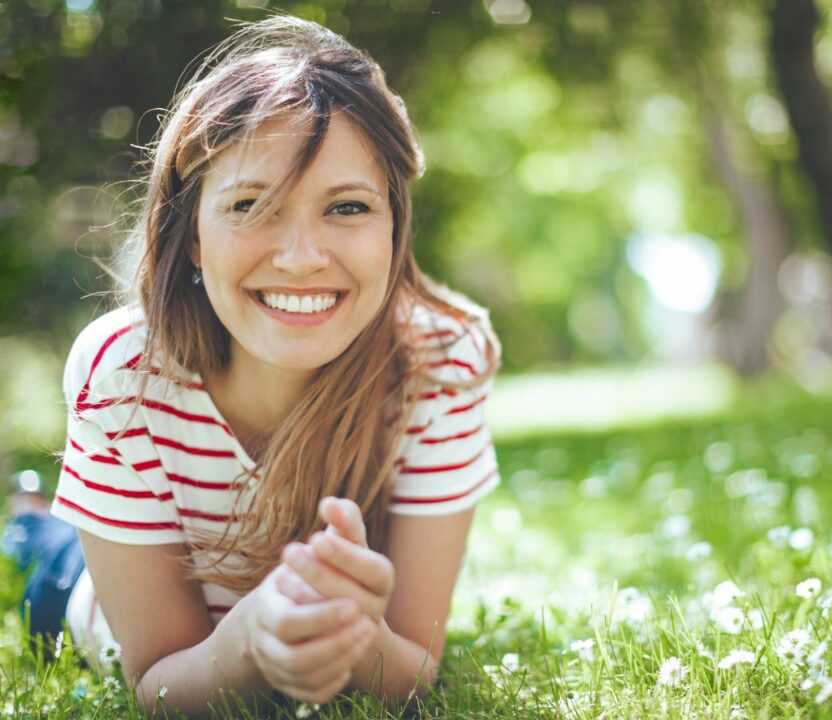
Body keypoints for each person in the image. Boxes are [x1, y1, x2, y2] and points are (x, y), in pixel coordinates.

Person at [11, 14, 501, 717]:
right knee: (43, 553)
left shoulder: (440, 362)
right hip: (82, 594)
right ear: (192, 240)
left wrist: (354, 636)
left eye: (348, 206)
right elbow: (158, 684)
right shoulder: (123, 371)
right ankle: (30, 516)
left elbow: (414, 672)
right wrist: (248, 643)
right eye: (250, 205)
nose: (301, 255)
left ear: (395, 231)